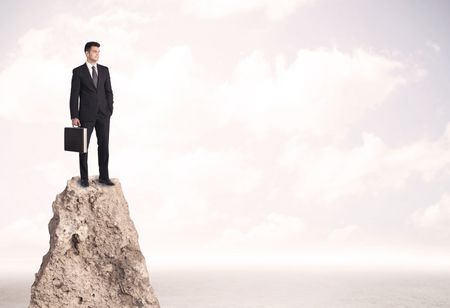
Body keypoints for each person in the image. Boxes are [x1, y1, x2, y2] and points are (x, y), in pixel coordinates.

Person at [69, 41, 115, 187]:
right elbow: (74, 95)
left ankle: (104, 176)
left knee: (104, 146)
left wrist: (109, 110)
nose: (97, 54)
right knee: (83, 147)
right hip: (85, 115)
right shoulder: (78, 72)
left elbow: (109, 91)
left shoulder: (104, 70)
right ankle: (84, 179)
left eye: (98, 51)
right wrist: (74, 115)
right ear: (87, 53)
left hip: (103, 114)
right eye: (95, 51)